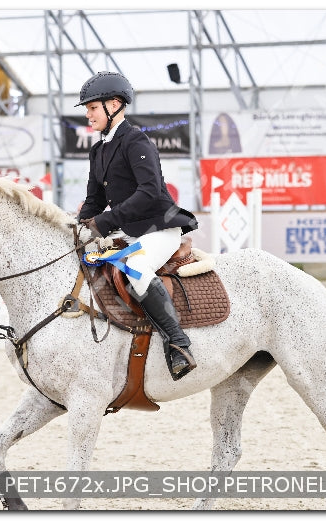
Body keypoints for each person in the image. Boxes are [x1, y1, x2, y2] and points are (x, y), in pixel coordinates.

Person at [75, 71, 199, 381]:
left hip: (159, 228)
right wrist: (76, 227)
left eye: (92, 108)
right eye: (87, 110)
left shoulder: (136, 141)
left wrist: (102, 223)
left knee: (137, 270)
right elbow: (94, 200)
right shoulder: (98, 150)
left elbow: (148, 192)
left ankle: (178, 343)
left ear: (113, 105)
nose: (88, 115)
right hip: (129, 231)